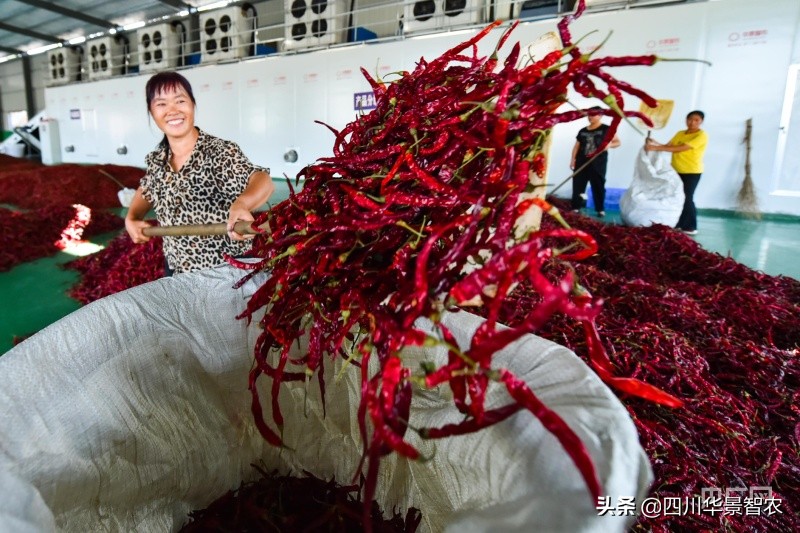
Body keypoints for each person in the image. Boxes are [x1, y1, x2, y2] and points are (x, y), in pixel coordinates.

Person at [125, 71, 274, 275]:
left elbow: (262, 179)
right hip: (177, 270)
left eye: (180, 101)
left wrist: (242, 204)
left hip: (224, 271)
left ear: (192, 105)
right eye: (161, 104)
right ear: (151, 112)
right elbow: (148, 188)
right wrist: (131, 217)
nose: (172, 110)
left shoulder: (218, 152)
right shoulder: (157, 159)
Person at [645, 110, 708, 235]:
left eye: (696, 120)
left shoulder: (701, 135)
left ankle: (691, 226)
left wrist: (656, 147)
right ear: (686, 120)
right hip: (676, 170)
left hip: (692, 171)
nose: (692, 122)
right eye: (690, 119)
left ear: (701, 122)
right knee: (678, 197)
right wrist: (654, 142)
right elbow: (668, 146)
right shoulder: (680, 133)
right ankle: (679, 224)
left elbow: (680, 148)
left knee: (687, 197)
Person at [570, 107, 621, 217]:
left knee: (598, 185)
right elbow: (576, 147)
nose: (590, 117)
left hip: (598, 163)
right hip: (581, 161)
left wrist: (609, 145)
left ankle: (600, 209)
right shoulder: (583, 131)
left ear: (600, 116)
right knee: (578, 184)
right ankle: (575, 207)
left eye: (593, 115)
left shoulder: (607, 129)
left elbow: (617, 142)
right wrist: (572, 160)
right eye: (589, 115)